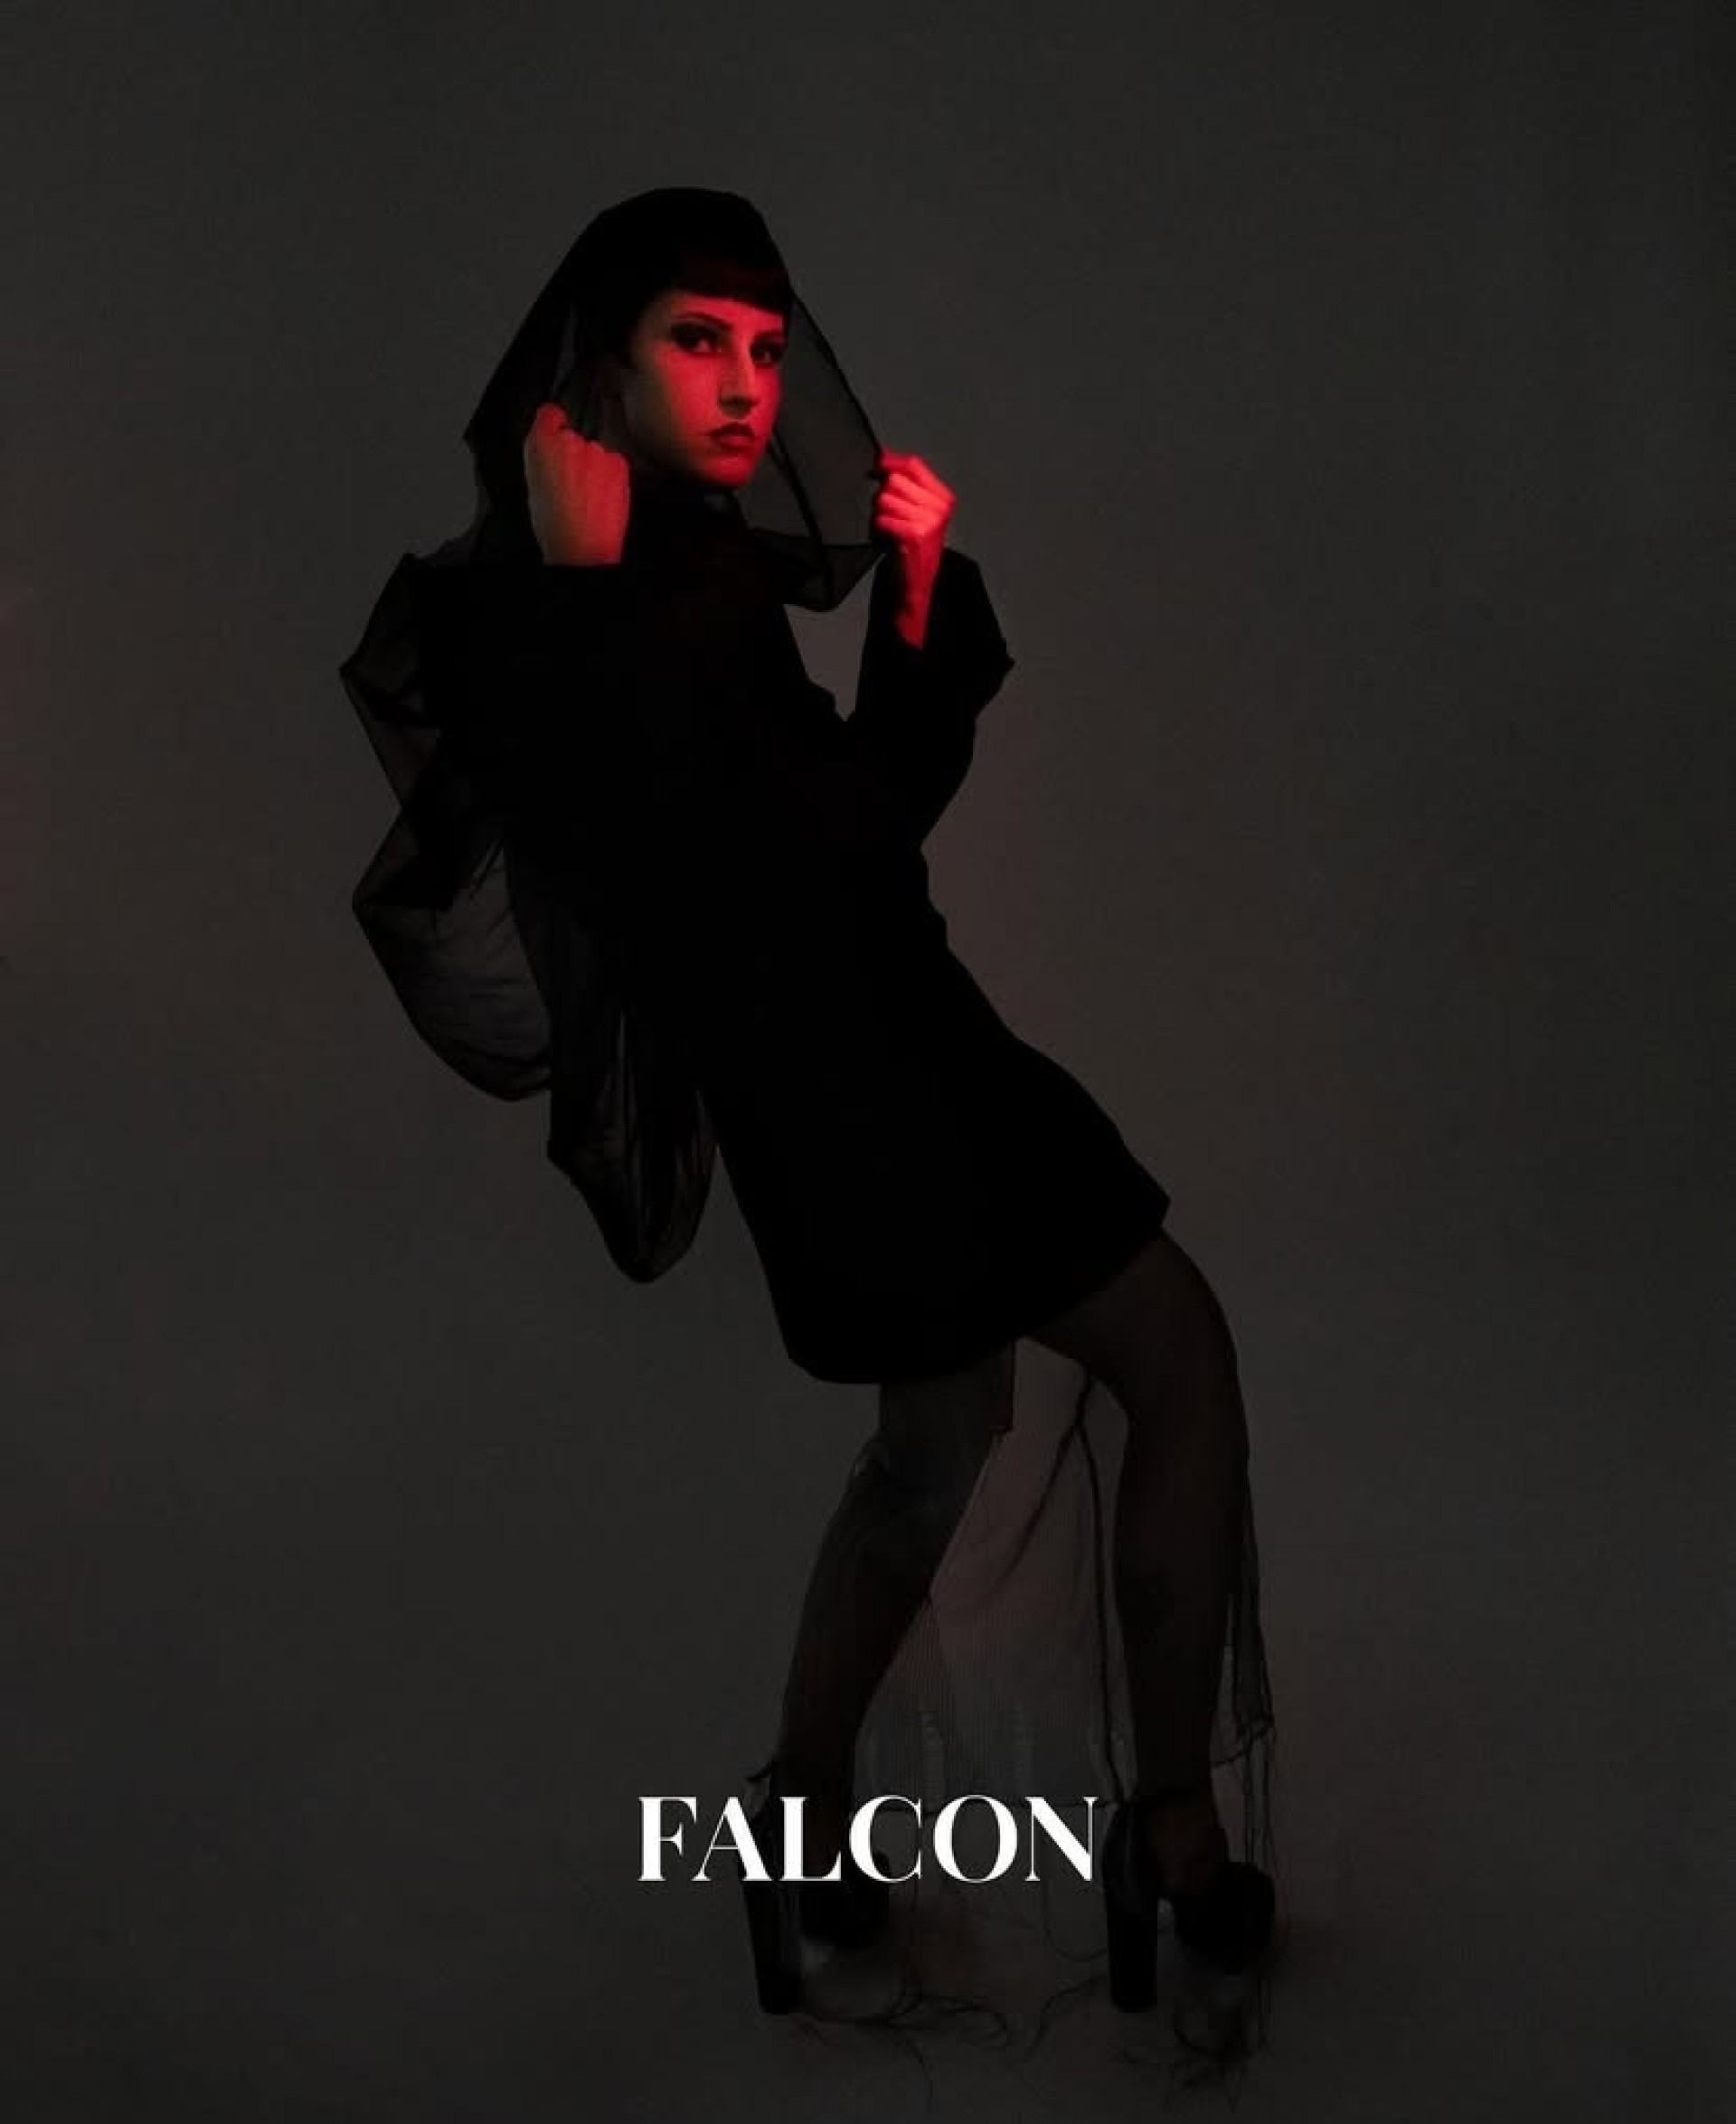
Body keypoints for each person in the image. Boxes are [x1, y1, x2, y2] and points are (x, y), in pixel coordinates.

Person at [340, 187, 1282, 2079]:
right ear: (601, 359)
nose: (747, 383)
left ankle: (983, 1827)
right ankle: (972, 1831)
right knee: (1004, 1415)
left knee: (1014, 1413)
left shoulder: (685, 556)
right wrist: (596, 592)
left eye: (768, 349)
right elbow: (694, 871)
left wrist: (911, 598)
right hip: (834, 1095)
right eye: (697, 340)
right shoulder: (530, 593)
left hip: (923, 1038)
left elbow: (850, 823)